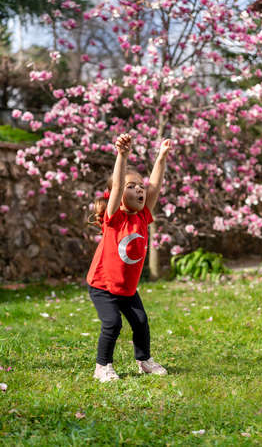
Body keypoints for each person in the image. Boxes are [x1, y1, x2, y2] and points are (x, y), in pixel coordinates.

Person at [87, 133, 172, 383]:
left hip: (127, 287)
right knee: (112, 324)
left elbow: (155, 185)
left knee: (141, 322)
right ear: (117, 193)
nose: (139, 189)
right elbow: (115, 188)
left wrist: (161, 158)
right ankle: (102, 366)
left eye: (140, 186)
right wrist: (122, 155)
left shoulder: (143, 216)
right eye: (131, 186)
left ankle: (144, 361)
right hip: (103, 285)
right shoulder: (114, 218)